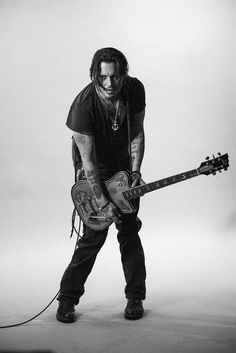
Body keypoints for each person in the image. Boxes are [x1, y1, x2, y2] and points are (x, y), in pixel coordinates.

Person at [56, 47, 147, 323]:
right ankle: (67, 298)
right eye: (103, 77)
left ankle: (135, 297)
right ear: (95, 75)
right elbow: (88, 163)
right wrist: (103, 202)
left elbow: (137, 133)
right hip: (96, 172)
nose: (110, 84)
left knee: (129, 231)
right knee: (93, 238)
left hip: (122, 170)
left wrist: (134, 172)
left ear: (124, 74)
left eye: (115, 77)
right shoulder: (83, 106)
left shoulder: (134, 90)